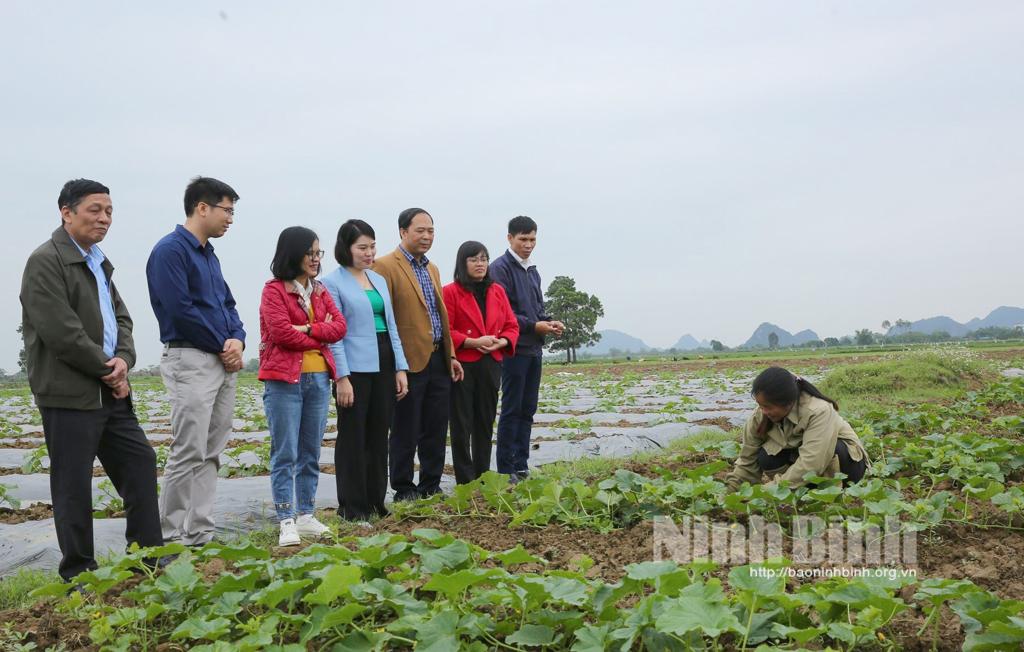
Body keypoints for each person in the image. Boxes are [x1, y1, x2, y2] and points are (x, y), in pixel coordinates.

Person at [20, 179, 162, 581]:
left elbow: (123, 319)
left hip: (110, 390)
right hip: (69, 393)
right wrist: (107, 368)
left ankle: (148, 557)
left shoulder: (98, 260)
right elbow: (61, 332)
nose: (104, 218)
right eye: (95, 210)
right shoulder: (46, 261)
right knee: (73, 484)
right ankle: (79, 572)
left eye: (110, 211)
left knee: (139, 461)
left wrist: (124, 360)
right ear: (67, 212)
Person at [146, 176, 245, 547]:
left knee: (212, 450)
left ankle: (200, 531)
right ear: (202, 208)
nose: (231, 219)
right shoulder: (171, 251)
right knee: (188, 449)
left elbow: (228, 305)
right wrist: (224, 343)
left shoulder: (209, 255)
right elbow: (180, 310)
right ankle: (168, 537)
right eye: (227, 210)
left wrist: (237, 338)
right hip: (190, 358)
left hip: (221, 359)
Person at [258, 227, 347, 546]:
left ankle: (306, 514)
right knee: (285, 452)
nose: (315, 259)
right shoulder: (273, 291)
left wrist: (309, 327)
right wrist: (318, 333)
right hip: (284, 381)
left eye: (318, 253)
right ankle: (286, 518)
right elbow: (282, 334)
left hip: (319, 379)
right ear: (292, 253)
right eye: (311, 253)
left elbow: (340, 327)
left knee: (310, 450)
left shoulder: (321, 290)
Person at [372, 208, 464, 501]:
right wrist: (393, 363)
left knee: (436, 426)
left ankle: (430, 484)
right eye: (420, 231)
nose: (426, 236)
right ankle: (403, 486)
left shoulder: (432, 268)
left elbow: (440, 315)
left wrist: (450, 355)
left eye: (431, 231)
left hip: (438, 357)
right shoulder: (384, 266)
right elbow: (383, 317)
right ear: (402, 232)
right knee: (405, 428)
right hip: (407, 362)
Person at [321, 220, 409, 521]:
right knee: (353, 437)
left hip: (384, 359)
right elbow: (334, 335)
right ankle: (352, 507)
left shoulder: (378, 280)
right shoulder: (332, 283)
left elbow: (392, 326)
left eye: (372, 246)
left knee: (378, 435)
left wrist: (400, 367)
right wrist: (342, 377)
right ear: (346, 249)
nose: (369, 253)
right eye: (362, 247)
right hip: (355, 367)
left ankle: (376, 502)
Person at [489, 216, 563, 482]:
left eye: (532, 239)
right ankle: (506, 468)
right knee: (512, 408)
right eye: (523, 239)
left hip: (534, 349)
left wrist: (548, 321)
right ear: (509, 238)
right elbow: (504, 312)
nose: (528, 244)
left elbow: (537, 309)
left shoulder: (532, 270)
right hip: (513, 350)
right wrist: (535, 326)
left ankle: (521, 464)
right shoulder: (499, 269)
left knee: (528, 408)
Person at [442, 241, 519, 484]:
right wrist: (472, 342)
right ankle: (465, 479)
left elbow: (511, 325)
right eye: (474, 259)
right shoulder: (451, 292)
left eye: (484, 259)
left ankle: (483, 474)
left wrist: (503, 342)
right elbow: (446, 330)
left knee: (485, 421)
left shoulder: (497, 291)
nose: (480, 264)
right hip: (464, 364)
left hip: (490, 363)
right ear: (462, 263)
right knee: (462, 423)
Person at [725, 367, 868, 491]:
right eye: (760, 405)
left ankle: (827, 490)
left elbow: (812, 462)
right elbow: (747, 460)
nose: (763, 411)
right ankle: (798, 490)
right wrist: (731, 492)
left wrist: (771, 489)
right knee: (765, 456)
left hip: (846, 467)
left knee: (836, 449)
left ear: (788, 403)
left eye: (768, 406)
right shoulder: (760, 416)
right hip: (804, 468)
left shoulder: (818, 410)